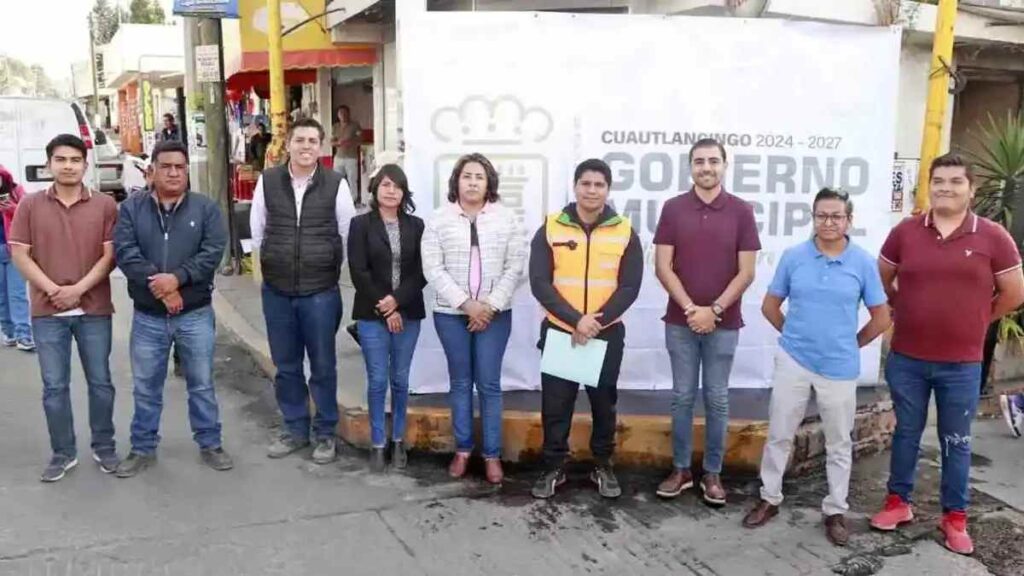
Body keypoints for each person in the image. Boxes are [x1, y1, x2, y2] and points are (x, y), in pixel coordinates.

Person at [869, 153, 1024, 555]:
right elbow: (880, 279)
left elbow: (1014, 293)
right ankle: (897, 503)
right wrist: (900, 307)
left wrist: (978, 319)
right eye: (938, 180)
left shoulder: (993, 236)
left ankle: (955, 518)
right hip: (908, 358)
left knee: (956, 440)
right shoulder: (905, 232)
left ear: (971, 189)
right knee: (905, 433)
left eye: (956, 181)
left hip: (961, 364)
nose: (945, 188)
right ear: (929, 185)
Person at [741, 188, 891, 546]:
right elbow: (770, 306)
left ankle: (835, 509)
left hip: (839, 366)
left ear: (848, 220)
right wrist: (793, 336)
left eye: (836, 216)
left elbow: (882, 317)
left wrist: (850, 344)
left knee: (839, 442)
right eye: (821, 216)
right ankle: (769, 497)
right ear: (813, 218)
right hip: (794, 360)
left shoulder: (862, 263)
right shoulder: (794, 257)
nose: (828, 222)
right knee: (779, 433)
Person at [112, 139, 232, 477]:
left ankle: (210, 443)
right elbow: (126, 253)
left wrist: (177, 279)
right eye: (166, 166)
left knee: (202, 384)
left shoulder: (205, 209)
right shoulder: (132, 210)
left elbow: (211, 254)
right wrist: (163, 290)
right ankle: (142, 448)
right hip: (149, 317)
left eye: (180, 167)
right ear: (152, 170)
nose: (174, 173)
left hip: (194, 315)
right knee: (146, 387)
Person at [654, 138, 761, 506]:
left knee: (717, 399)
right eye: (699, 161)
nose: (706, 167)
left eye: (713, 161)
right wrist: (690, 309)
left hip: (724, 323)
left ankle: (713, 473)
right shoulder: (672, 209)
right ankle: (681, 469)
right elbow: (662, 266)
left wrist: (713, 311)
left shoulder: (742, 211)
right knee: (682, 397)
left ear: (724, 165)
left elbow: (746, 272)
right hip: (680, 322)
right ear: (690, 167)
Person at [528, 159, 643, 500]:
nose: (592, 190)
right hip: (563, 331)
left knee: (603, 404)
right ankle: (553, 467)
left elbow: (630, 286)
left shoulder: (624, 231)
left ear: (608, 190)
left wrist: (596, 321)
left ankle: (603, 464)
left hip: (604, 333)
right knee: (556, 405)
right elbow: (539, 282)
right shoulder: (551, 227)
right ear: (575, 186)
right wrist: (576, 320)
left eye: (599, 184)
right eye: (586, 183)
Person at [9, 134, 119, 482]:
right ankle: (63, 452)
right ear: (49, 165)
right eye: (61, 159)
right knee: (54, 386)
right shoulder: (30, 205)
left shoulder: (104, 205)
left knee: (100, 382)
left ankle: (104, 446)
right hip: (47, 311)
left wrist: (79, 290)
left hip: (94, 309)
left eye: (74, 159)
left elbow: (110, 255)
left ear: (85, 164)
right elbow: (19, 254)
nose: (68, 165)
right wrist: (54, 289)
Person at [251, 118, 357, 464]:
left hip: (320, 293)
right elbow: (258, 230)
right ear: (289, 145)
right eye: (300, 140)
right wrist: (264, 274)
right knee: (287, 365)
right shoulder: (268, 182)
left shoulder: (335, 184)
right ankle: (295, 428)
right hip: (278, 291)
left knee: (323, 365)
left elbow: (346, 232)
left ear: (322, 146)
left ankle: (325, 433)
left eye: (313, 140)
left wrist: (326, 266)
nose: (306, 146)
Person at [421, 153, 525, 484]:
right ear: (457, 181)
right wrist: (467, 304)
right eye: (467, 176)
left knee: (490, 385)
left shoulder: (507, 219)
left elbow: (516, 265)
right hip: (452, 314)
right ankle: (463, 449)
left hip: (495, 315)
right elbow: (433, 269)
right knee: (461, 383)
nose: (473, 182)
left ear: (489, 183)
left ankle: (492, 454)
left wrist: (489, 306)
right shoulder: (438, 220)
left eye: (479, 177)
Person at [348, 164, 426, 472]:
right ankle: (378, 443)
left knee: (401, 380)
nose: (391, 190)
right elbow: (358, 270)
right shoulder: (360, 225)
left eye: (397, 186)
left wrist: (398, 303)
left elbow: (422, 272)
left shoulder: (417, 226)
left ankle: (398, 440)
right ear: (375, 189)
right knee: (378, 380)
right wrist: (386, 307)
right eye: (385, 185)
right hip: (371, 313)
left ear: (404, 191)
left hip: (408, 312)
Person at [0, 165, 34, 351]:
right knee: (1, 297)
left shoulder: (16, 191)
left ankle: (23, 335)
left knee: (17, 294)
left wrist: (12, 209)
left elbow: (30, 215)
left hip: (15, 249)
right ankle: (9, 332)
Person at [332, 105, 362, 205]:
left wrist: (350, 142)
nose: (343, 115)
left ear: (348, 114)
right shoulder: (335, 126)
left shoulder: (355, 125)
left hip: (351, 157)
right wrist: (338, 143)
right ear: (338, 115)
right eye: (341, 113)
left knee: (352, 179)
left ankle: (353, 200)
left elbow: (360, 139)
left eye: (345, 113)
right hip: (338, 157)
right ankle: (339, 200)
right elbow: (331, 141)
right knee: (337, 180)